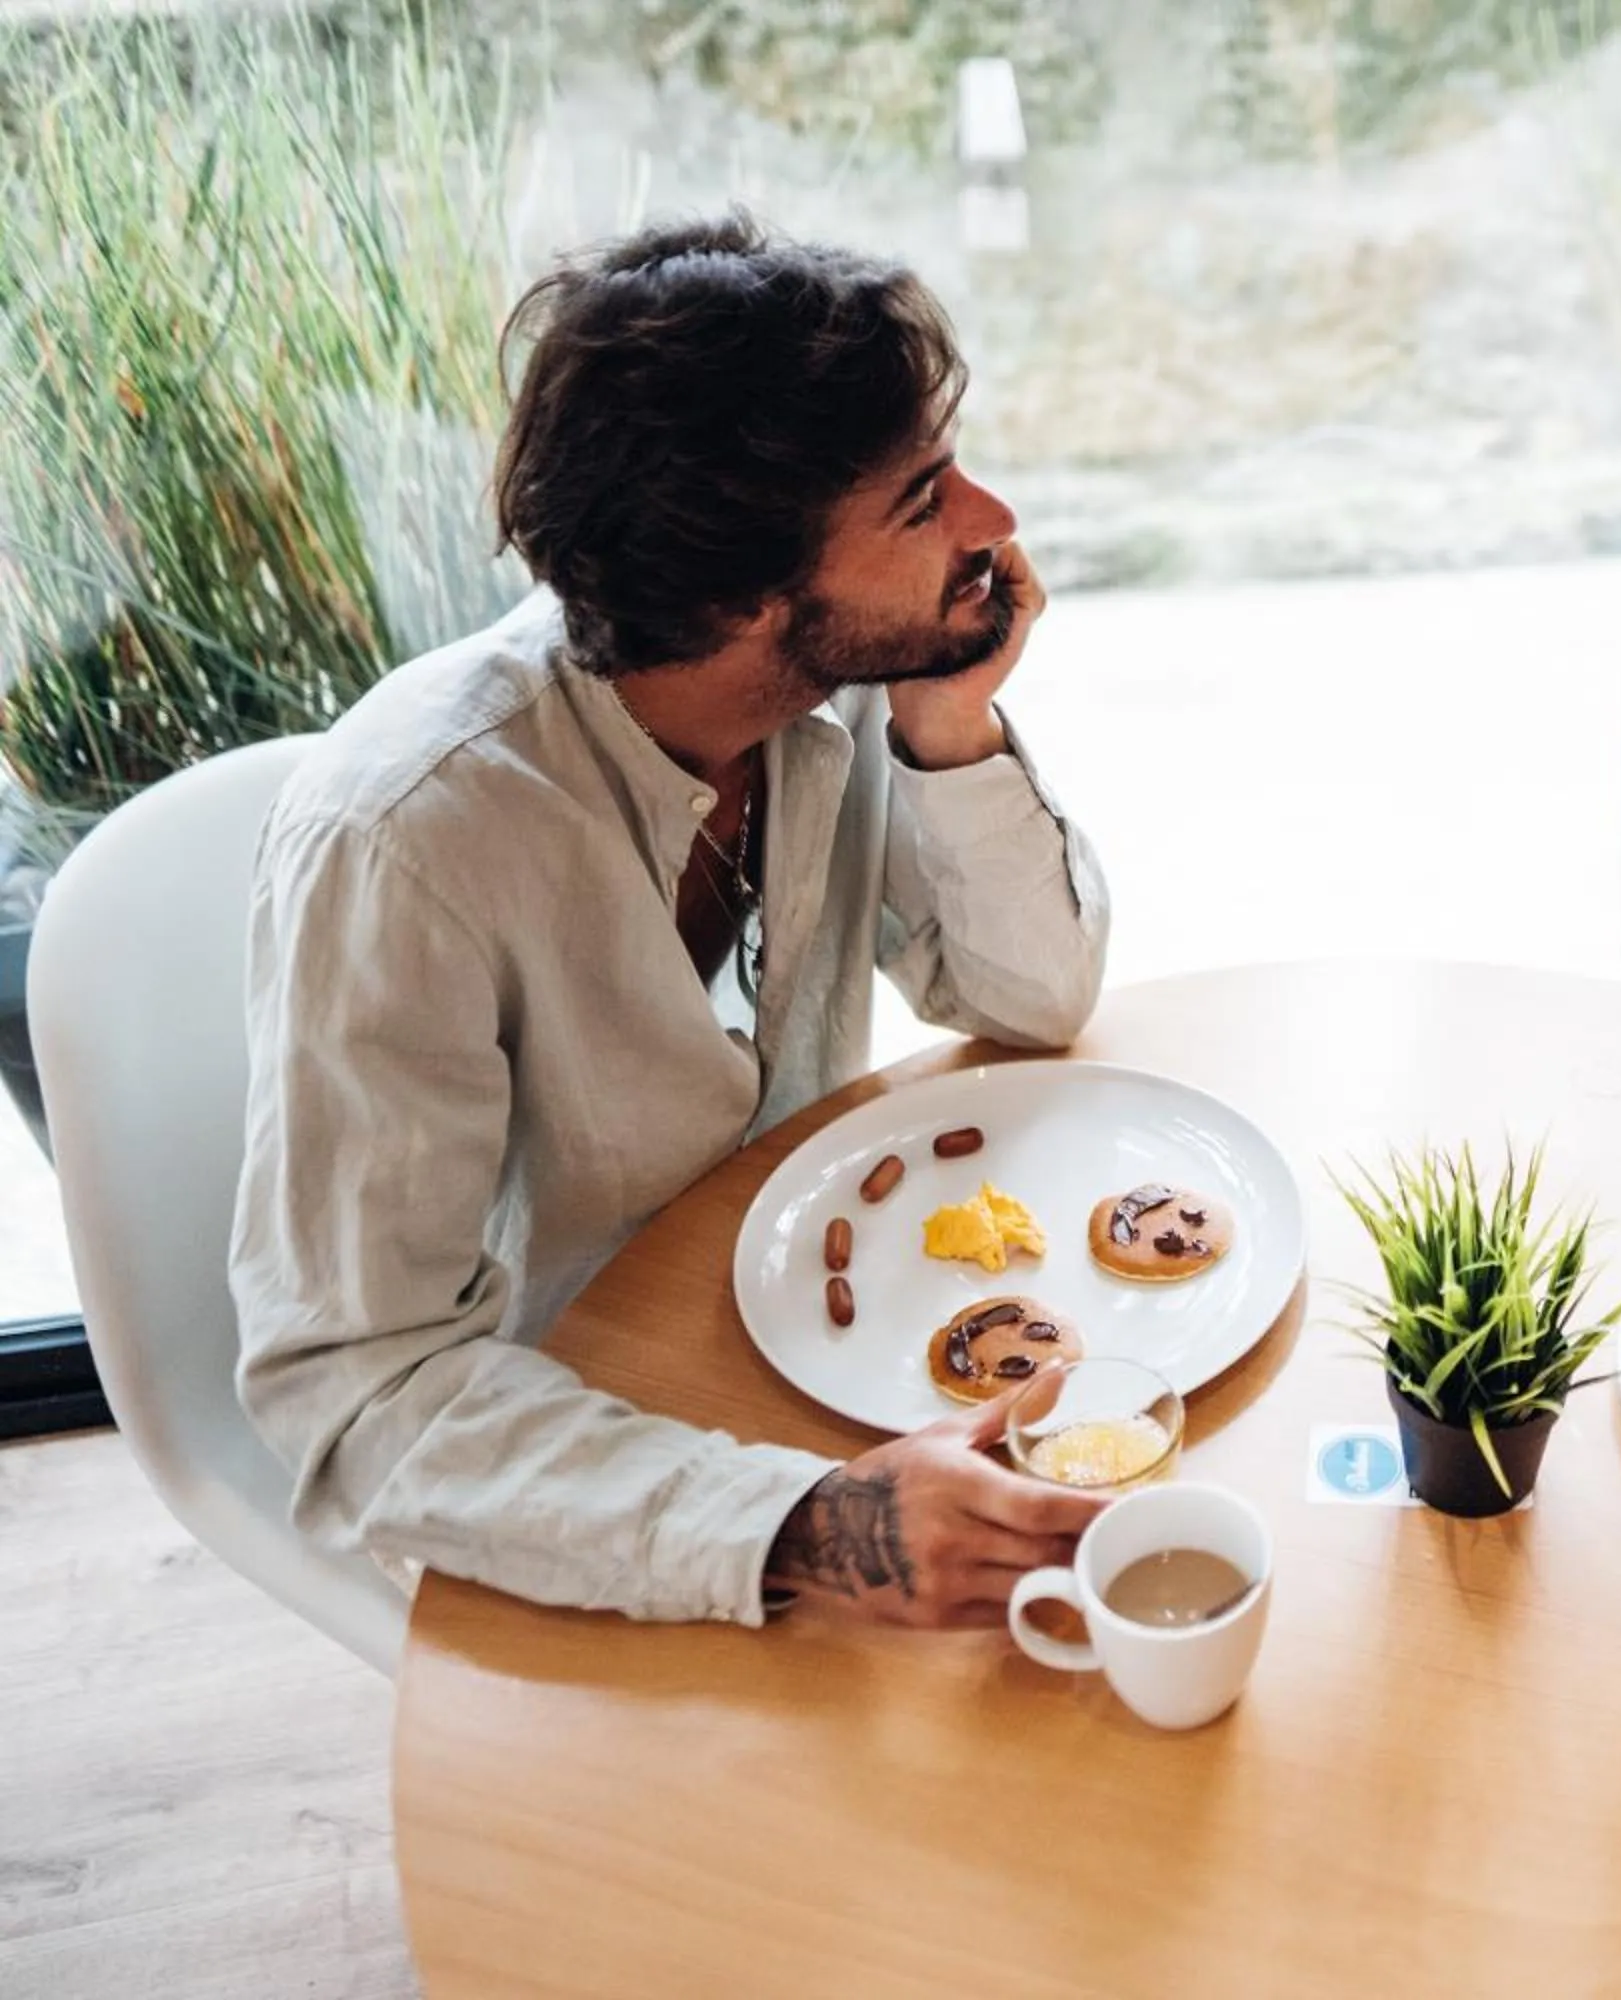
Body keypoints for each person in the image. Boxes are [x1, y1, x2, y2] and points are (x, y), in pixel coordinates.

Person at [232, 214, 1110, 1631]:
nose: (994, 525)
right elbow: (360, 1390)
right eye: (923, 498)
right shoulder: (405, 842)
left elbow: (1036, 997)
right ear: (746, 595)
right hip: (574, 1467)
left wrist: (951, 724)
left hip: (820, 1343)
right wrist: (808, 1529)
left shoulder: (829, 706)